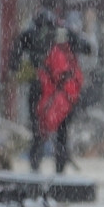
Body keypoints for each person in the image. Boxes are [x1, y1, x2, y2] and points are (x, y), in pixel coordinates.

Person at [14, 9, 83, 174]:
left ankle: (35, 168)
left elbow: (13, 62)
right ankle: (58, 170)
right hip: (61, 93)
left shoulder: (29, 36)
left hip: (41, 89)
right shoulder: (64, 35)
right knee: (61, 133)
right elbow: (86, 48)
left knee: (38, 131)